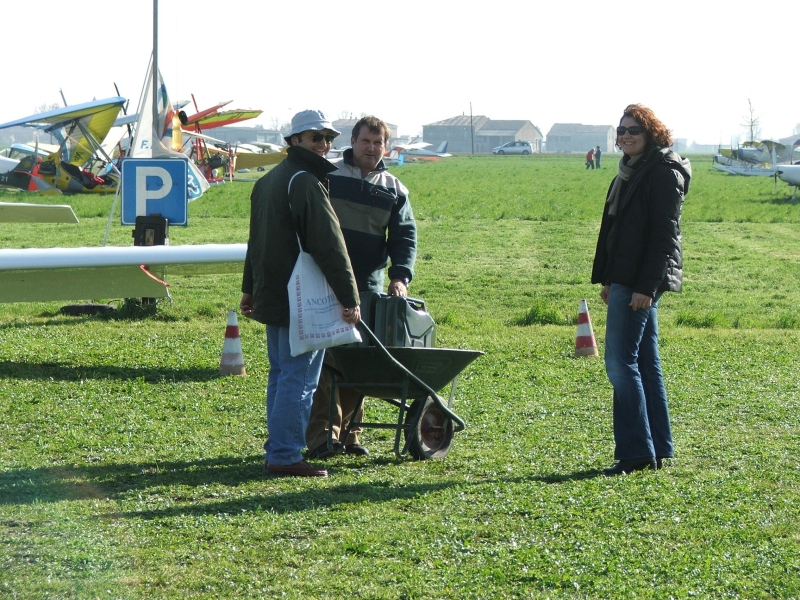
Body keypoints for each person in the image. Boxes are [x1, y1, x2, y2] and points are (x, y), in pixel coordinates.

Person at [240, 109, 361, 478]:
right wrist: (349, 297)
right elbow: (329, 245)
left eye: (327, 138)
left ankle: (278, 449)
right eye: (315, 138)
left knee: (281, 374)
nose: (323, 144)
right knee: (300, 377)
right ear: (294, 141)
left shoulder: (267, 181)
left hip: (274, 293)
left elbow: (255, 243)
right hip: (300, 297)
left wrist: (249, 289)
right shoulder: (306, 181)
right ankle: (284, 454)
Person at [306, 115, 417, 459]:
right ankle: (323, 437)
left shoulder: (395, 189)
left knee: (358, 359)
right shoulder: (327, 175)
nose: (371, 148)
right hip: (323, 280)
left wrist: (400, 277)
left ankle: (350, 435)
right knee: (326, 360)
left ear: (386, 147)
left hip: (368, 286)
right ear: (352, 142)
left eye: (377, 142)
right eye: (365, 141)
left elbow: (404, 237)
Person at [591, 104, 691, 476]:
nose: (626, 135)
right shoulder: (630, 172)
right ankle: (657, 446)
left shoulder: (663, 172)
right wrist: (608, 279)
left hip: (640, 283)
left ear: (651, 133)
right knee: (645, 364)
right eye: (621, 130)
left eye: (634, 129)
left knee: (620, 363)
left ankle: (636, 452)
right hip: (624, 278)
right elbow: (618, 233)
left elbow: (665, 237)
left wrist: (645, 287)